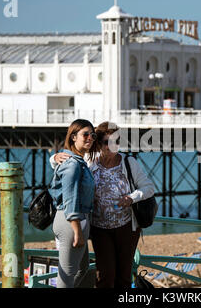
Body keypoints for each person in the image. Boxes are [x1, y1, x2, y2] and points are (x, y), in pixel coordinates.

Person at [51, 121, 155, 288]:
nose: (111, 147)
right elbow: (68, 165)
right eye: (106, 142)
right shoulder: (90, 162)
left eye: (116, 142)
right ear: (98, 143)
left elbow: (149, 187)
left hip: (126, 227)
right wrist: (54, 157)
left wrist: (131, 198)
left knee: (124, 276)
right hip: (99, 228)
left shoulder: (129, 163)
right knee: (105, 276)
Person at [48, 119, 97, 288]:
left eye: (93, 135)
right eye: (85, 134)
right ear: (73, 137)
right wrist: (77, 230)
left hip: (75, 220)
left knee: (82, 269)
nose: (90, 138)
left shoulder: (78, 162)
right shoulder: (73, 164)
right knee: (67, 276)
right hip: (71, 222)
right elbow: (70, 197)